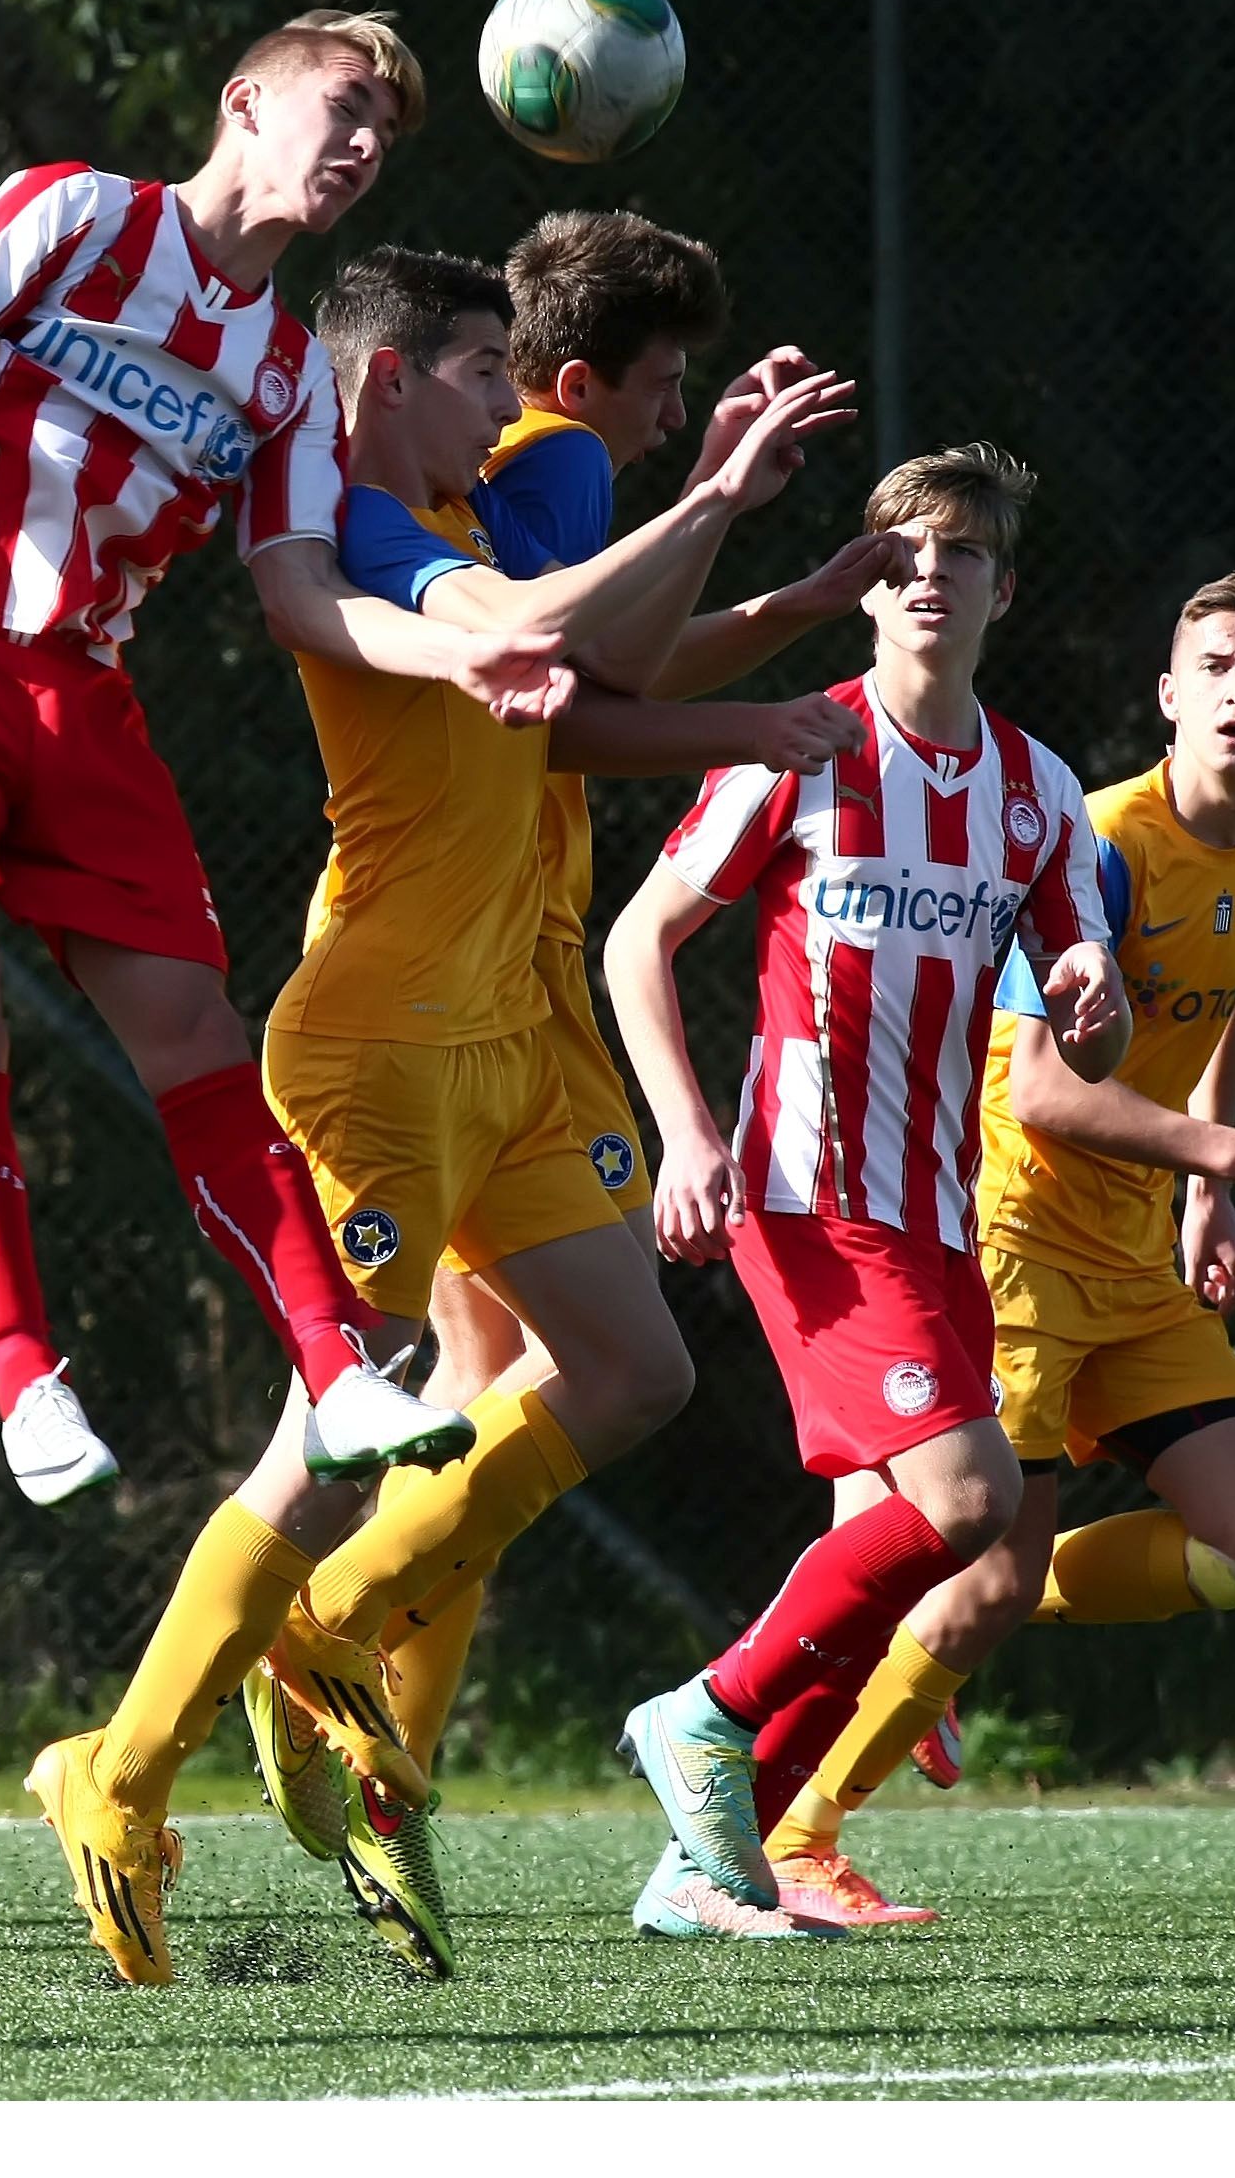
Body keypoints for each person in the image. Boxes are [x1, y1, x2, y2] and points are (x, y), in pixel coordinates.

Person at [27, 244, 860, 1985]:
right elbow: (540, 641)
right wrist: (717, 497)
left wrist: (761, 671)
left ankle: (333, 1620)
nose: (516, 397)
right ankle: (120, 1772)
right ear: (391, 381)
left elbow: (578, 709)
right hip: (386, 1042)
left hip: (514, 1040)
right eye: (486, 369)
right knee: (332, 1432)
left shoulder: (472, 516)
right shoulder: (369, 536)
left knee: (634, 1367)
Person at [0, 11, 571, 1507]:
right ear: (246, 101)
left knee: (194, 1027)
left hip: (81, 697)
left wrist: (456, 653)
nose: (365, 142)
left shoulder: (289, 374)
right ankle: (23, 1380)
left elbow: (301, 595)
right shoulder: (77, 214)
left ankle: (337, 1372)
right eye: (345, 104)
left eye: (387, 131)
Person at [331, 210, 910, 1797]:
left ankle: (374, 1748)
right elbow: (592, 702)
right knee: (441, 1394)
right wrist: (742, 593)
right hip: (457, 980)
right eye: (665, 385)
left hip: (485, 966)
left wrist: (778, 588)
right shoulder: (562, 456)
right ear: (577, 379)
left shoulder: (515, 467)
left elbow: (597, 674)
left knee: (479, 1390)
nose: (673, 413)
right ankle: (299, 1702)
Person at [759, 568, 1235, 1923]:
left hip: (1138, 1256)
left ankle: (942, 1605)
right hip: (1019, 1246)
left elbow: (1226, 992)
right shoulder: (1097, 845)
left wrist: (1207, 1195)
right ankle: (798, 1833)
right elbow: (1039, 1089)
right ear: (1167, 694)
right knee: (979, 1576)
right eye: (1214, 665)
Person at [603, 441, 1132, 1938]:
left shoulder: (1038, 791)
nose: (929, 578)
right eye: (902, 555)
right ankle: (705, 1713)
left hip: (940, 1215)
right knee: (970, 1501)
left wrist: (1094, 994)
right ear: (867, 587)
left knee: (897, 1557)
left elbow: (1086, 1007)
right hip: (808, 1193)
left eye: (961, 554)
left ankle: (712, 1864)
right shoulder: (800, 744)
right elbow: (637, 940)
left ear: (1002, 591)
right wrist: (684, 1134)